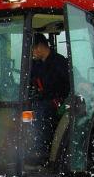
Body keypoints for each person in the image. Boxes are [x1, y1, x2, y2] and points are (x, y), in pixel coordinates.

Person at [28, 33, 70, 163]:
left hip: (58, 101)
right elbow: (29, 79)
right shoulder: (37, 64)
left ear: (39, 47)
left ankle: (42, 151)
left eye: (32, 50)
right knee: (26, 108)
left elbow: (68, 84)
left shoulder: (59, 62)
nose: (32, 53)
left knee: (40, 111)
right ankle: (30, 146)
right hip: (42, 99)